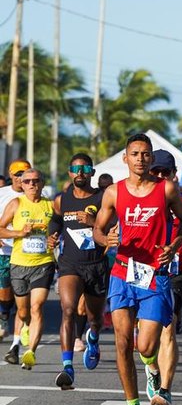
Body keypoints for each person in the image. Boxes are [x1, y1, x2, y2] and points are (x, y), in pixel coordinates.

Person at [93, 133, 182, 405]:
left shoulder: (167, 189)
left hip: (154, 275)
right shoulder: (113, 193)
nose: (140, 159)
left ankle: (151, 366)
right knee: (122, 343)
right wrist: (105, 239)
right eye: (135, 154)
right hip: (122, 273)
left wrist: (174, 246)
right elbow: (98, 228)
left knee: (145, 344)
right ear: (125, 158)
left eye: (145, 154)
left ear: (150, 158)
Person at [47, 154, 109, 388]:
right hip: (70, 264)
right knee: (68, 309)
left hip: (96, 264)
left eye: (85, 168)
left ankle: (92, 337)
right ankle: (67, 367)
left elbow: (114, 228)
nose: (80, 172)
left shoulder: (103, 198)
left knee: (94, 318)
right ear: (70, 172)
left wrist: (94, 222)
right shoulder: (62, 200)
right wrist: (51, 235)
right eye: (75, 168)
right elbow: (55, 220)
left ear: (92, 172)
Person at [144, 149, 182, 405]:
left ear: (174, 175)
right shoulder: (137, 198)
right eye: (157, 172)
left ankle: (165, 389)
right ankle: (151, 368)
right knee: (143, 339)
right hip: (141, 270)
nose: (162, 177)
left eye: (167, 173)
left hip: (174, 272)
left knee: (168, 328)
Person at [0, 168, 56, 371]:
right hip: (18, 263)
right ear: (22, 185)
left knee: (37, 307)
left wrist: (54, 238)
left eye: (36, 180)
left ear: (42, 183)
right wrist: (19, 233)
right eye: (28, 181)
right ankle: (21, 332)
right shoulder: (16, 204)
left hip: (43, 263)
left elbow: (62, 230)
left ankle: (30, 351)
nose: (32, 184)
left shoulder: (51, 206)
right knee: (23, 311)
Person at [0, 159, 30, 364]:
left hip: (28, 254)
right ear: (11, 175)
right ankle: (4, 315)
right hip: (5, 250)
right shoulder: (2, 194)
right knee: (5, 289)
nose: (22, 178)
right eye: (18, 174)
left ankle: (18, 331)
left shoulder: (37, 195)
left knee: (24, 297)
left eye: (25, 174)